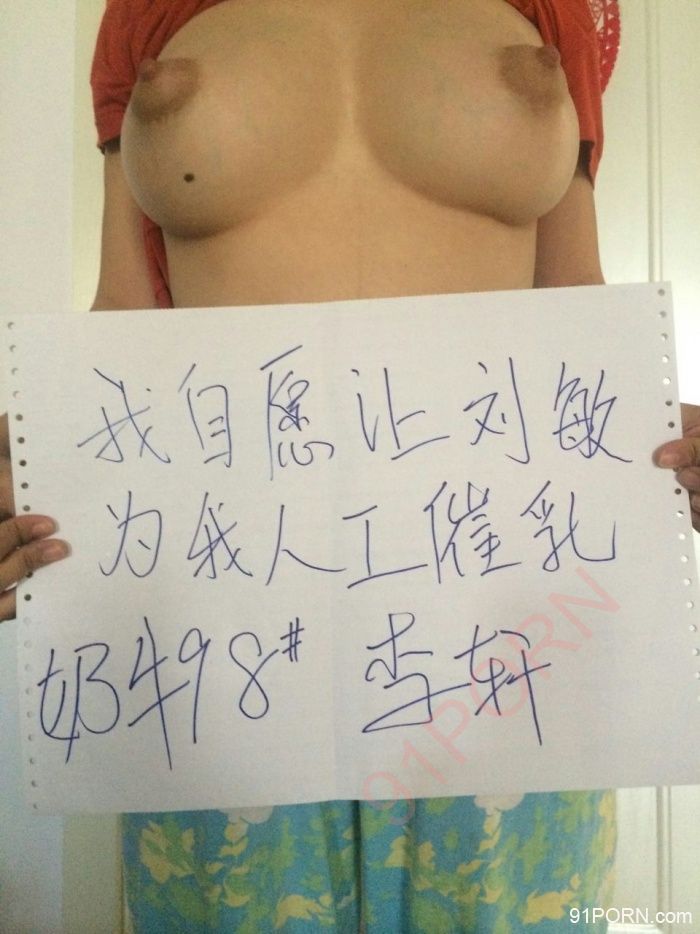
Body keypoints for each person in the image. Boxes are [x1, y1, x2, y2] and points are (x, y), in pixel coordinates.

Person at [1, 0, 699, 930]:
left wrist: (654, 449)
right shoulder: (147, 10)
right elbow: (125, 316)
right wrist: (42, 461)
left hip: (501, 616)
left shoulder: (552, 7)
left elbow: (576, 305)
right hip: (227, 625)